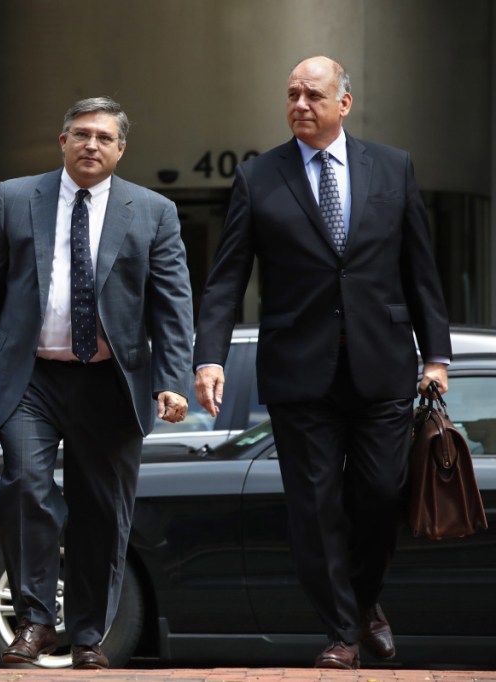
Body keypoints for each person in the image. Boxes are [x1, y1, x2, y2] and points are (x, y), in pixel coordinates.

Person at [193, 56, 451, 670]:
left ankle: (363, 604)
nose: (301, 105)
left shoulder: (392, 167)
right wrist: (210, 357)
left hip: (382, 365)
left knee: (381, 495)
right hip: (297, 370)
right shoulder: (259, 178)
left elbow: (421, 270)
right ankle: (341, 630)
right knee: (313, 507)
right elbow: (227, 277)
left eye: (313, 94)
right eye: (291, 95)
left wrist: (435, 354)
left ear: (345, 102)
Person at [0, 96, 194, 670]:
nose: (91, 146)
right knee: (26, 487)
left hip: (111, 382)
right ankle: (34, 622)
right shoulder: (14, 198)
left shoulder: (153, 211)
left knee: (102, 511)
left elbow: (172, 306)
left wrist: (172, 379)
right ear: (62, 141)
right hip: (31, 376)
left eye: (105, 138)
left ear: (121, 149)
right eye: (81, 134)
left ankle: (87, 635)